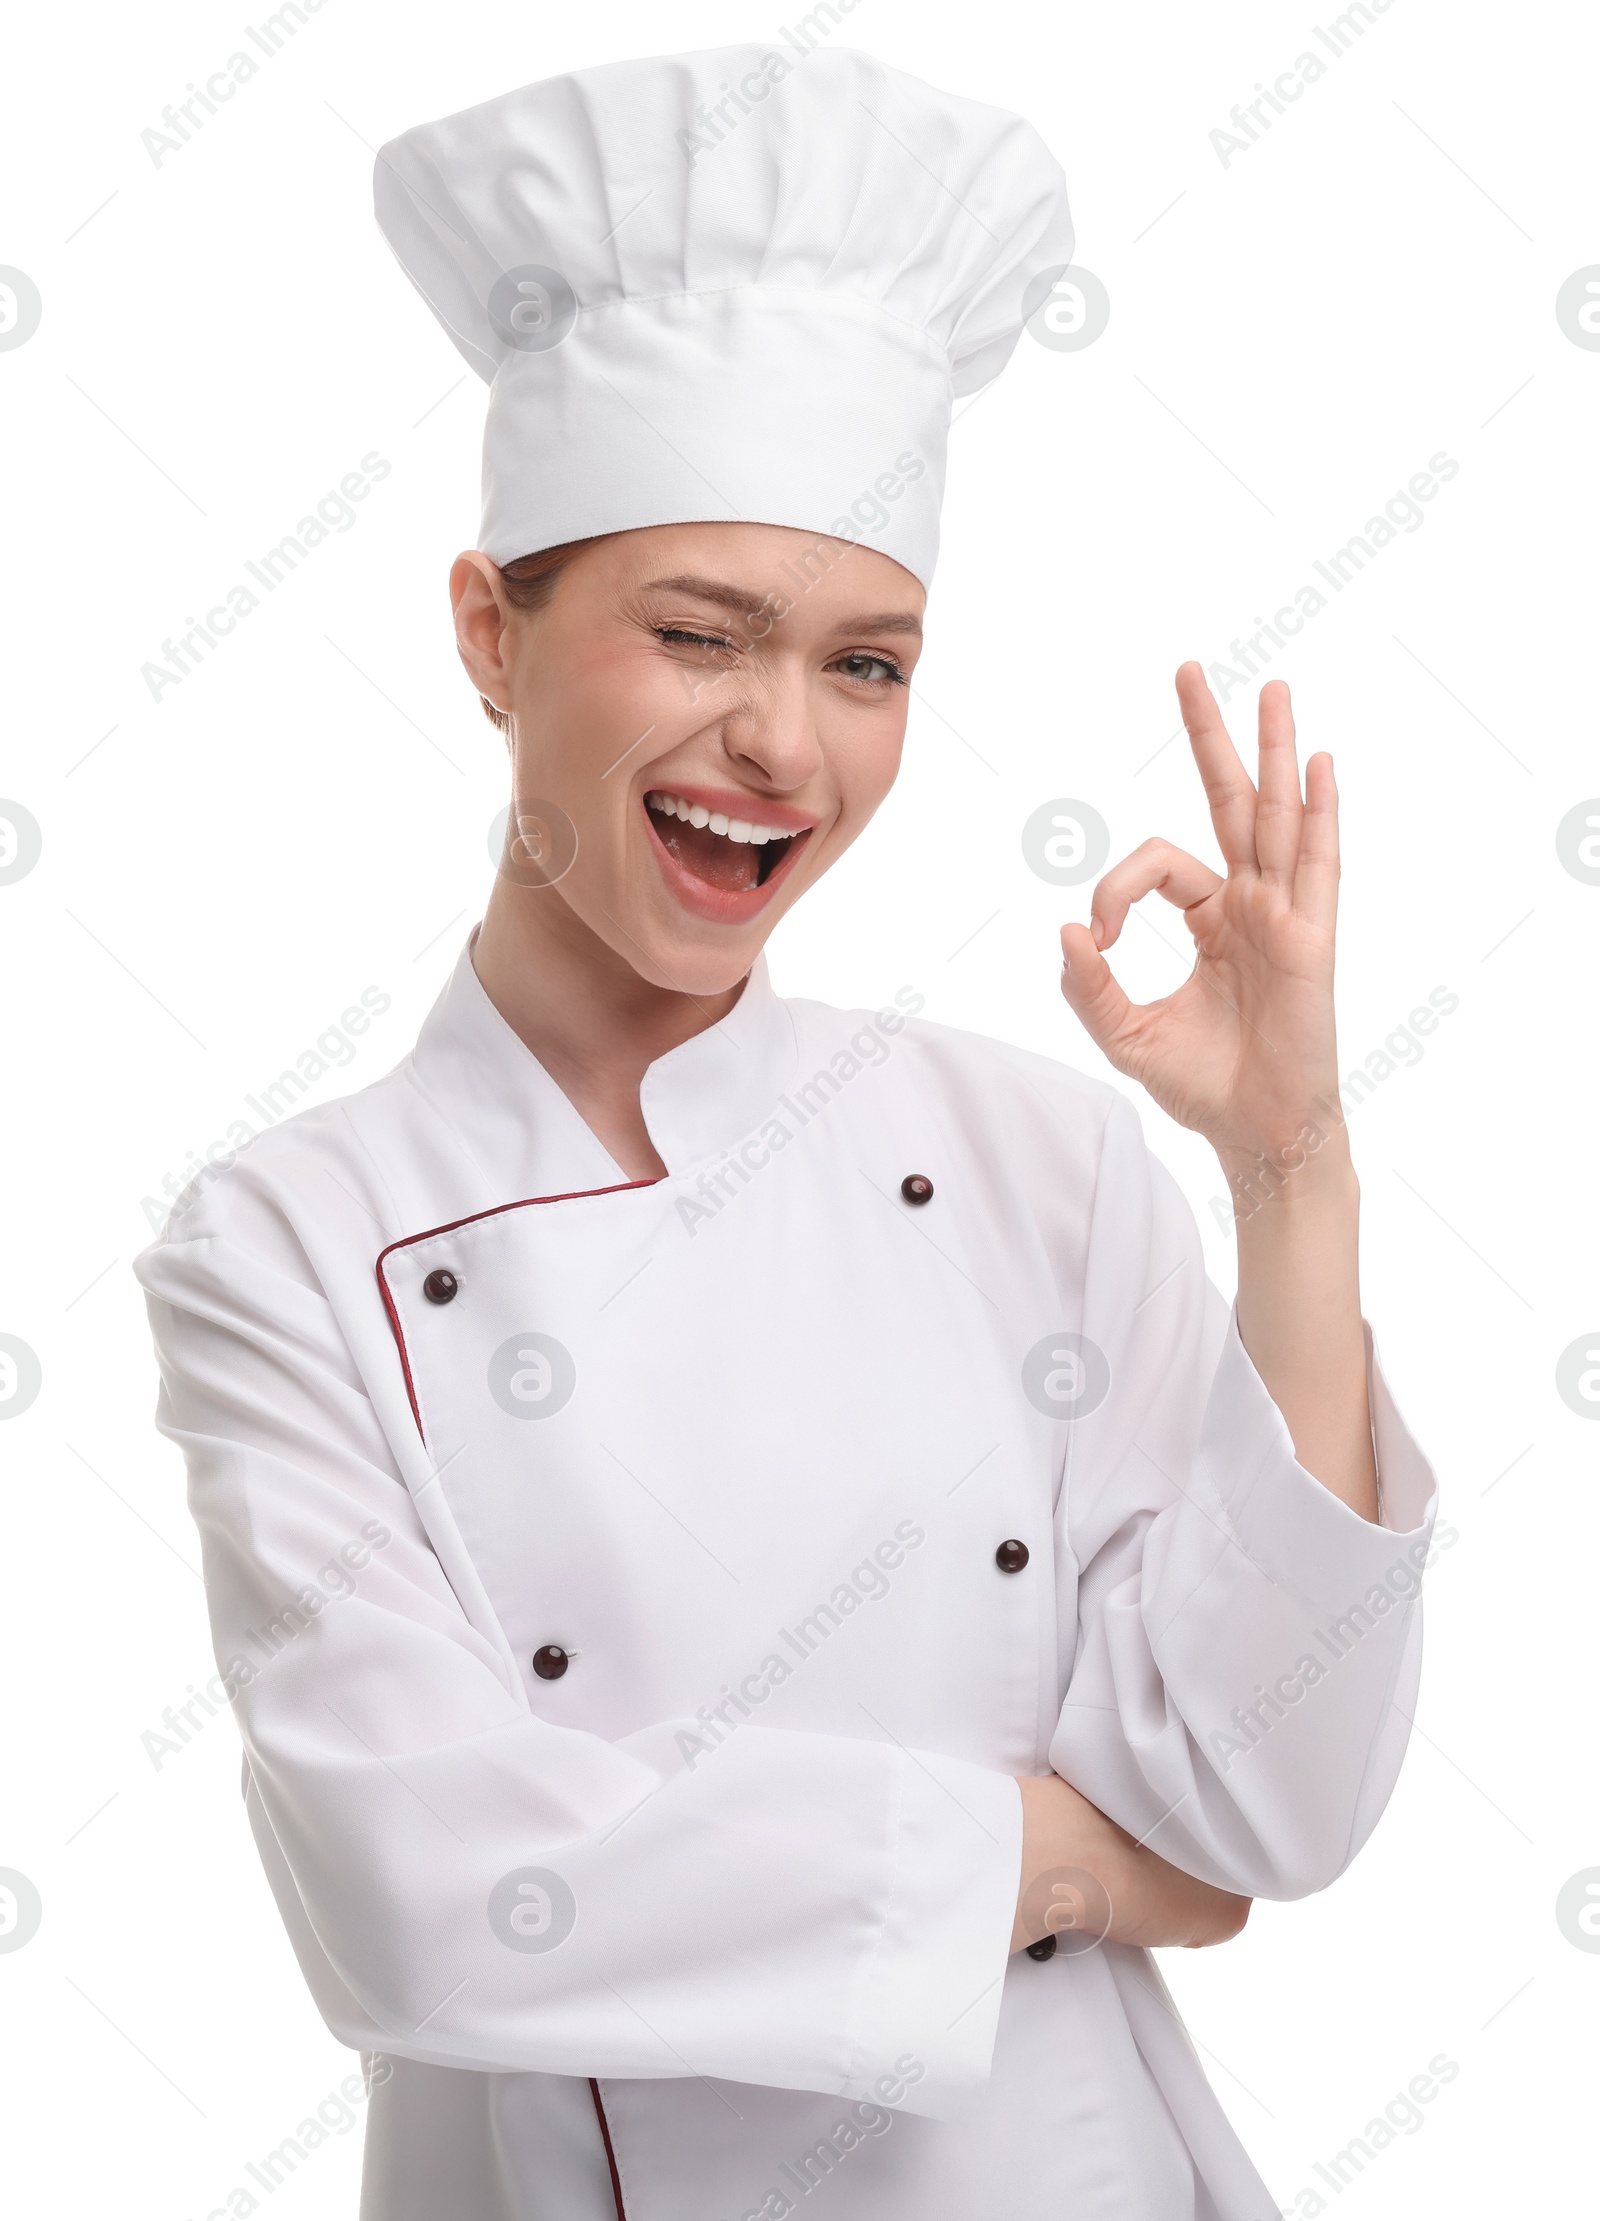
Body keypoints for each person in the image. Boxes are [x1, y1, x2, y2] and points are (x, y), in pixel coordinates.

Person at [134, 45, 1438, 2221]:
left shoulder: (1035, 1158)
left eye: (866, 663)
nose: (781, 745)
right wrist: (1065, 1864)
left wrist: (1289, 1171)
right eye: (696, 633)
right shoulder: (287, 1242)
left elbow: (1263, 1805)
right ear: (489, 631)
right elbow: (432, 1894)